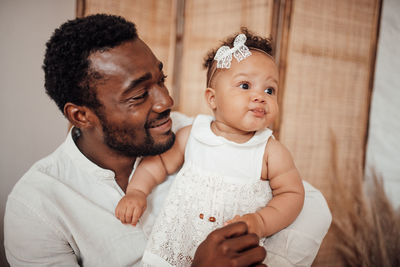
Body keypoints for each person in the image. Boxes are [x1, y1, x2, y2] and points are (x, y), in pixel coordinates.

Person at [3, 14, 331, 267]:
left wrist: (258, 240)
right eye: (138, 95)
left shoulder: (197, 133)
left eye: (161, 80)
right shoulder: (36, 209)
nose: (166, 102)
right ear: (81, 116)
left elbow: (312, 206)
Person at [115, 30, 307, 267]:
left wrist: (260, 221)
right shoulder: (193, 134)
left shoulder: (270, 151)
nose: (260, 96)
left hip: (234, 255)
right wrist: (137, 192)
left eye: (270, 90)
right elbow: (159, 164)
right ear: (212, 98)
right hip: (177, 244)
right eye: (245, 85)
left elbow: (292, 195)